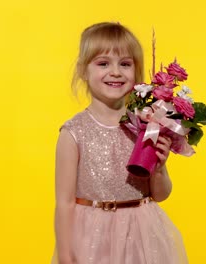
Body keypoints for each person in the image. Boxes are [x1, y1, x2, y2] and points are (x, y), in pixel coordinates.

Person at [53, 22, 189, 264]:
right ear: (84, 70)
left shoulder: (146, 125)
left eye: (125, 64)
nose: (115, 72)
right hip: (93, 240)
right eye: (103, 63)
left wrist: (159, 169)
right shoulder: (74, 132)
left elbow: (160, 195)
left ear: (136, 74)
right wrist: (65, 256)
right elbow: (64, 203)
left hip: (141, 237)